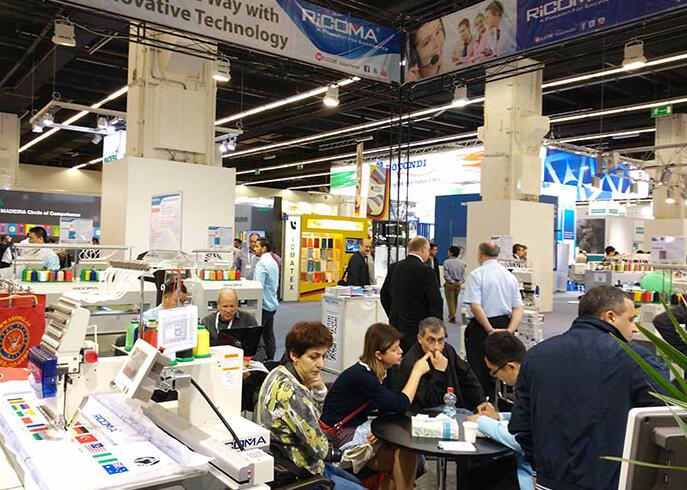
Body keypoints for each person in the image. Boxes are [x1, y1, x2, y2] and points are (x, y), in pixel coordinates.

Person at [509, 285, 670, 490]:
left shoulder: (536, 356)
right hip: (611, 481)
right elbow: (663, 419)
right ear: (610, 317)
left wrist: (539, 467)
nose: (635, 328)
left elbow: (521, 424)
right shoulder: (636, 359)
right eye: (631, 319)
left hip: (549, 479)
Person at [321, 323, 430, 490]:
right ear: (379, 354)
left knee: (405, 451)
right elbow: (401, 404)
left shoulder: (385, 370)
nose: (400, 352)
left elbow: (388, 408)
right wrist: (416, 373)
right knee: (404, 455)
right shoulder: (361, 376)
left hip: (359, 425)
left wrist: (380, 430)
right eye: (394, 349)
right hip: (340, 435)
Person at [256, 322, 364, 489]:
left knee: (356, 482)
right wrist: (320, 396)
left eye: (323, 356)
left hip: (282, 461)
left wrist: (318, 392)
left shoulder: (276, 373)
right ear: (294, 354)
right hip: (302, 472)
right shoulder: (294, 393)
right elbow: (320, 449)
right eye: (314, 357)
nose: (321, 364)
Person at [466, 332, 533, 490]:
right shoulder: (531, 379)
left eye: (494, 371)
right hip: (526, 462)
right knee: (475, 474)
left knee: (477, 480)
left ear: (510, 366)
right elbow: (526, 418)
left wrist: (482, 422)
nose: (495, 377)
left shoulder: (531, 389)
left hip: (532, 473)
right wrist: (499, 416)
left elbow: (520, 439)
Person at [463, 241, 523, 397]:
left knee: (479, 368)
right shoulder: (509, 276)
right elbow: (518, 308)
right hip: (505, 324)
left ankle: (482, 401)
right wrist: (509, 331)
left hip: (482, 327)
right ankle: (503, 401)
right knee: (503, 365)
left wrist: (489, 329)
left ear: (480, 254)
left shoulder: (477, 275)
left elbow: (476, 306)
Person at [393, 317, 483, 412]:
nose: (436, 347)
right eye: (431, 340)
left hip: (451, 404)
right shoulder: (412, 362)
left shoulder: (447, 349)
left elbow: (467, 376)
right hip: (424, 412)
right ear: (420, 338)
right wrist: (439, 372)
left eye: (440, 340)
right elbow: (429, 401)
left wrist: (480, 402)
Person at [381, 236, 443, 352]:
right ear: (423, 249)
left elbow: (384, 295)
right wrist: (437, 327)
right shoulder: (426, 270)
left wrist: (393, 314)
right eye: (428, 250)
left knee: (398, 355)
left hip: (396, 323)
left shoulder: (394, 267)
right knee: (417, 357)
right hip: (419, 326)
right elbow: (435, 301)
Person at [201, 288, 265, 356]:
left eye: (232, 306)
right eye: (225, 306)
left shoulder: (248, 320)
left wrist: (249, 359)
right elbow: (202, 350)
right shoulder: (207, 322)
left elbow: (261, 349)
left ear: (237, 305)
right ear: (218, 306)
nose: (228, 310)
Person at [254, 237, 279, 360]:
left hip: (263, 305)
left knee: (259, 335)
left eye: (257, 246)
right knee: (268, 333)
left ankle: (261, 359)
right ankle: (270, 359)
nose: (254, 248)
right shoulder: (273, 261)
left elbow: (258, 287)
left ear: (264, 248)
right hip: (272, 303)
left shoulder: (262, 263)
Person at [443, 246, 466, 324]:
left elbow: (446, 274)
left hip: (449, 284)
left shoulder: (446, 262)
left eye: (449, 251)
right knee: (455, 300)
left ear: (451, 253)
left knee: (450, 301)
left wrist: (452, 281)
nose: (448, 253)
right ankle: (453, 314)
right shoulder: (462, 263)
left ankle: (452, 316)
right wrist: (460, 282)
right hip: (458, 285)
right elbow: (463, 275)